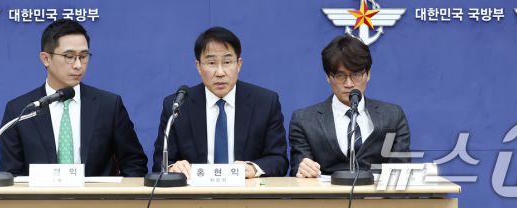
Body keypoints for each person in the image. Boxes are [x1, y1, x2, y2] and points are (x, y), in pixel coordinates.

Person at [0, 19, 148, 176]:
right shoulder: (20, 110)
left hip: (98, 193)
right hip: (40, 193)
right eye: (69, 56)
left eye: (83, 56)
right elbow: (11, 173)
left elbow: (134, 163)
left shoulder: (109, 105)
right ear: (46, 59)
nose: (78, 65)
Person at [152, 27, 289, 178]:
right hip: (195, 191)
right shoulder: (178, 105)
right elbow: (160, 161)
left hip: (247, 190)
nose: (220, 72)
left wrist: (253, 168)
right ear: (198, 66)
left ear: (239, 64)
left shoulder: (265, 102)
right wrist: (172, 167)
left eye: (227, 62)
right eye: (211, 63)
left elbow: (279, 159)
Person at [289, 35, 410, 177]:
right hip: (327, 191)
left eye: (356, 75)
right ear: (328, 77)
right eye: (340, 76)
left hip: (376, 191)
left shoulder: (393, 116)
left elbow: (400, 171)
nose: (349, 84)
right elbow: (298, 169)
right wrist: (303, 168)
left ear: (368, 74)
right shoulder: (304, 120)